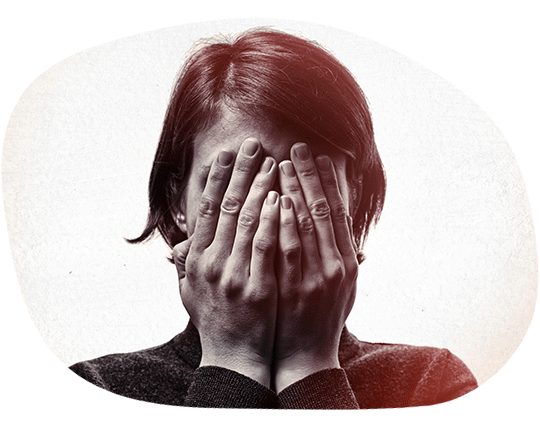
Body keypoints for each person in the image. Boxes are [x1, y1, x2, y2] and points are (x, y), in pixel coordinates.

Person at [69, 28, 478, 409]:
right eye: (240, 180)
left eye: (305, 180)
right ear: (178, 200)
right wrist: (232, 362)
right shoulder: (98, 389)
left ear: (350, 199)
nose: (270, 217)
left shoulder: (431, 384)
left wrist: (309, 364)